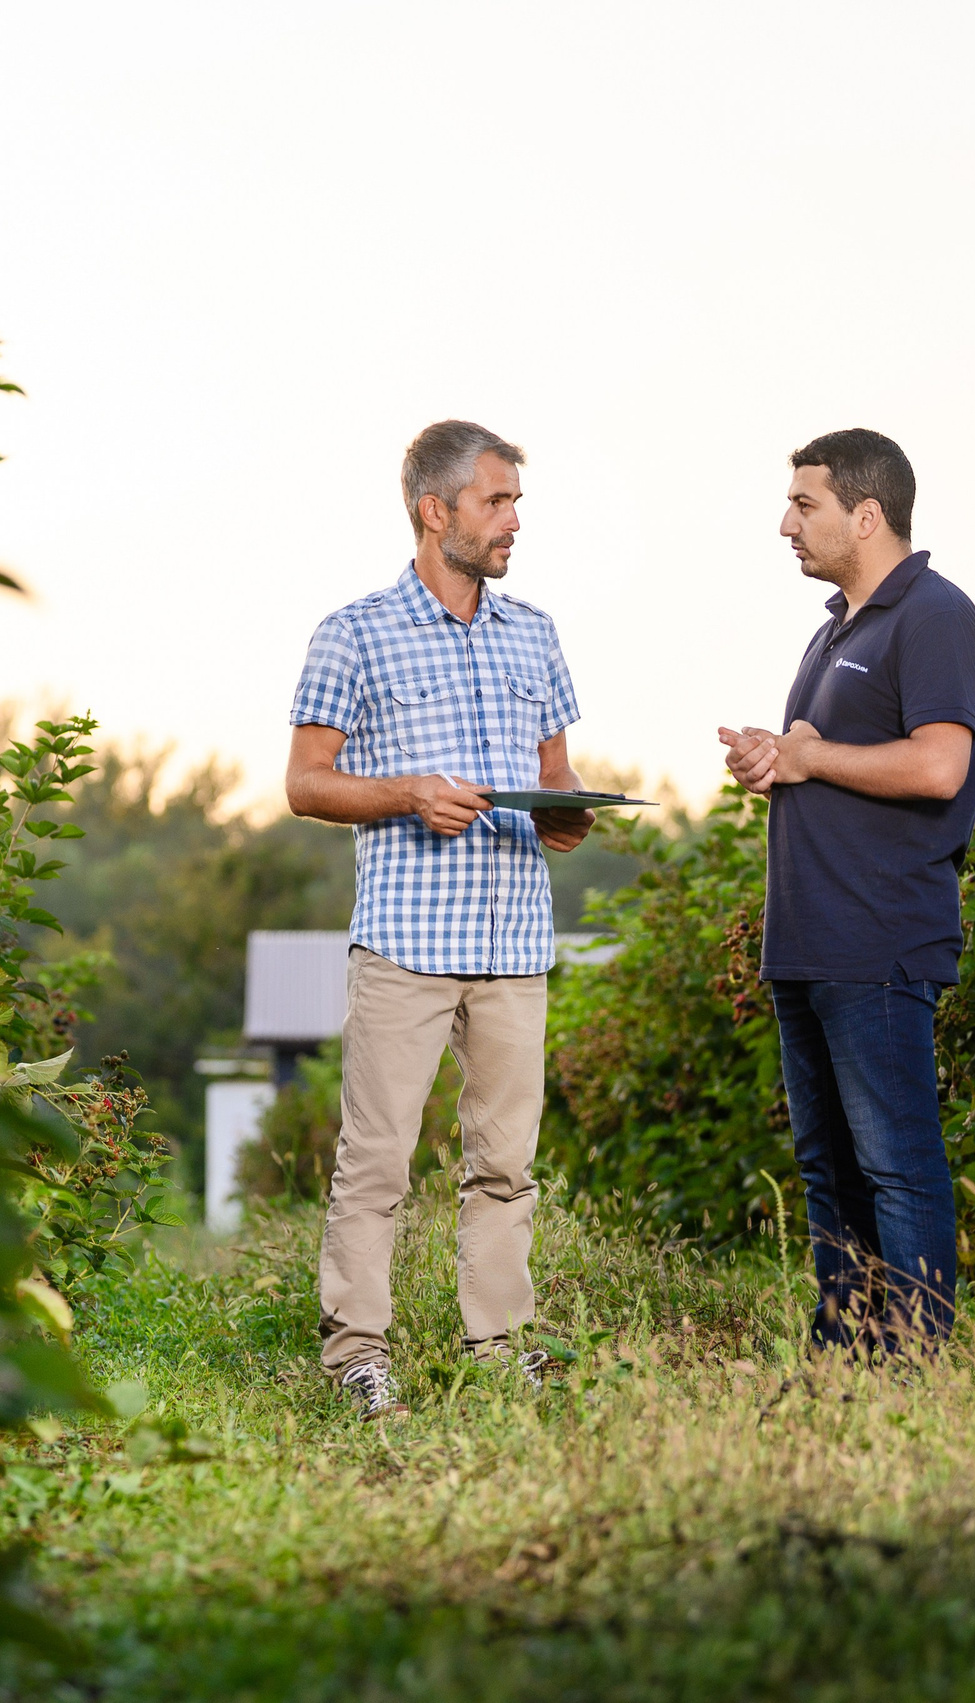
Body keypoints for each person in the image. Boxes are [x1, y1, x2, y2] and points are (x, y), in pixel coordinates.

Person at [285, 419, 594, 1423]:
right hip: (407, 944)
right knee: (375, 1161)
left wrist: (570, 810)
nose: (513, 521)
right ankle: (356, 1356)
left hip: (513, 945)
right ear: (436, 510)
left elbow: (554, 777)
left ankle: (498, 1346)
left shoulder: (534, 633)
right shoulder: (353, 632)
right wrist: (408, 793)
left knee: (505, 1165)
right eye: (496, 501)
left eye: (514, 502)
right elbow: (306, 784)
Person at [718, 428, 975, 1351]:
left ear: (865, 514)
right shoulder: (833, 628)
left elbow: (941, 765)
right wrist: (778, 757)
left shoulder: (935, 615)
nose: (785, 523)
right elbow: (824, 763)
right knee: (829, 1170)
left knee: (899, 1169)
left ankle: (916, 1372)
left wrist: (810, 753)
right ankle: (844, 1361)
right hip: (807, 945)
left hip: (879, 942)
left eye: (805, 505)